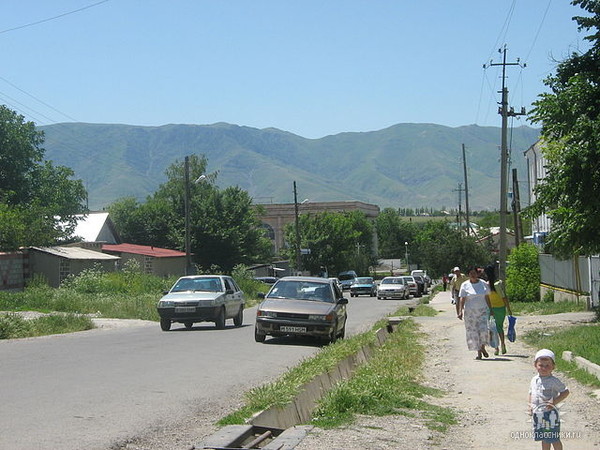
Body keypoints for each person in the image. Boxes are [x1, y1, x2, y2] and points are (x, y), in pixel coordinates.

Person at [528, 349, 570, 449]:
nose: (544, 368)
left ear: (553, 367)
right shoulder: (534, 379)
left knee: (553, 438)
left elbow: (565, 392)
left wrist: (554, 402)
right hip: (537, 413)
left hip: (550, 414)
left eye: (547, 366)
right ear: (535, 365)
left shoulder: (553, 381)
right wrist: (530, 405)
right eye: (541, 365)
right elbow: (531, 392)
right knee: (544, 437)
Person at [457, 266, 492, 359]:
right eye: (471, 273)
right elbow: (462, 298)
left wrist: (491, 309)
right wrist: (460, 311)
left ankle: (483, 347)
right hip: (470, 312)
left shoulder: (483, 284)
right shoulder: (465, 285)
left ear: (477, 274)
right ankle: (479, 352)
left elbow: (487, 297)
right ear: (468, 275)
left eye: (474, 273)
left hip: (482, 311)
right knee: (474, 332)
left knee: (483, 330)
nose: (473, 275)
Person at [484, 265, 512, 355]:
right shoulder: (498, 284)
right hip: (501, 308)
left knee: (492, 328)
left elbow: (486, 298)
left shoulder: (486, 285)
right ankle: (503, 344)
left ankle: (496, 348)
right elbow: (504, 297)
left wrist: (489, 308)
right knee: (499, 327)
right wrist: (509, 309)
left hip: (490, 308)